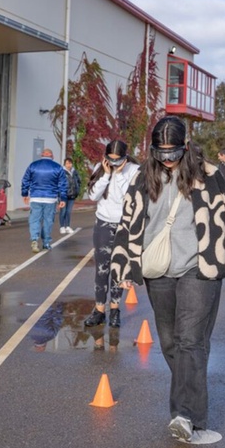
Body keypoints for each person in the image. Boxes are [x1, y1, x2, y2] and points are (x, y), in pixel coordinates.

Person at [110, 116, 225, 442]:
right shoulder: (143, 177)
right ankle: (192, 389)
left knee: (190, 339)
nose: (168, 159)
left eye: (173, 153)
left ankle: (185, 415)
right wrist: (124, 266)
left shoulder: (209, 175)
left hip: (199, 268)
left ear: (185, 147)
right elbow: (128, 222)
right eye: (161, 153)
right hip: (158, 270)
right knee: (171, 342)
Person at [83, 140, 140, 329]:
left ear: (125, 157)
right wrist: (107, 175)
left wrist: (120, 174)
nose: (114, 163)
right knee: (102, 268)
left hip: (124, 225)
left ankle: (115, 310)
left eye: (118, 160)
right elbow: (93, 196)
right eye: (111, 159)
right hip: (103, 223)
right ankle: (99, 310)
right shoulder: (100, 168)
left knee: (119, 269)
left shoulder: (134, 170)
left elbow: (130, 197)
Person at [21, 148, 68, 252]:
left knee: (34, 219)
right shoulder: (57, 167)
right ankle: (46, 242)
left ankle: (34, 239)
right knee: (48, 221)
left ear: (42, 155)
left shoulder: (33, 165)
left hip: (35, 197)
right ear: (52, 156)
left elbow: (25, 180)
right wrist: (63, 198)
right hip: (50, 198)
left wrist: (25, 193)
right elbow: (62, 184)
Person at [59, 157, 81, 235]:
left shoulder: (74, 172)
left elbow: (78, 181)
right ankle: (62, 227)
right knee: (63, 211)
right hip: (63, 195)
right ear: (64, 164)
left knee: (68, 211)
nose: (69, 165)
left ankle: (67, 226)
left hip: (72, 195)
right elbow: (59, 183)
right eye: (67, 163)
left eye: (70, 163)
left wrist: (77, 190)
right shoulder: (61, 172)